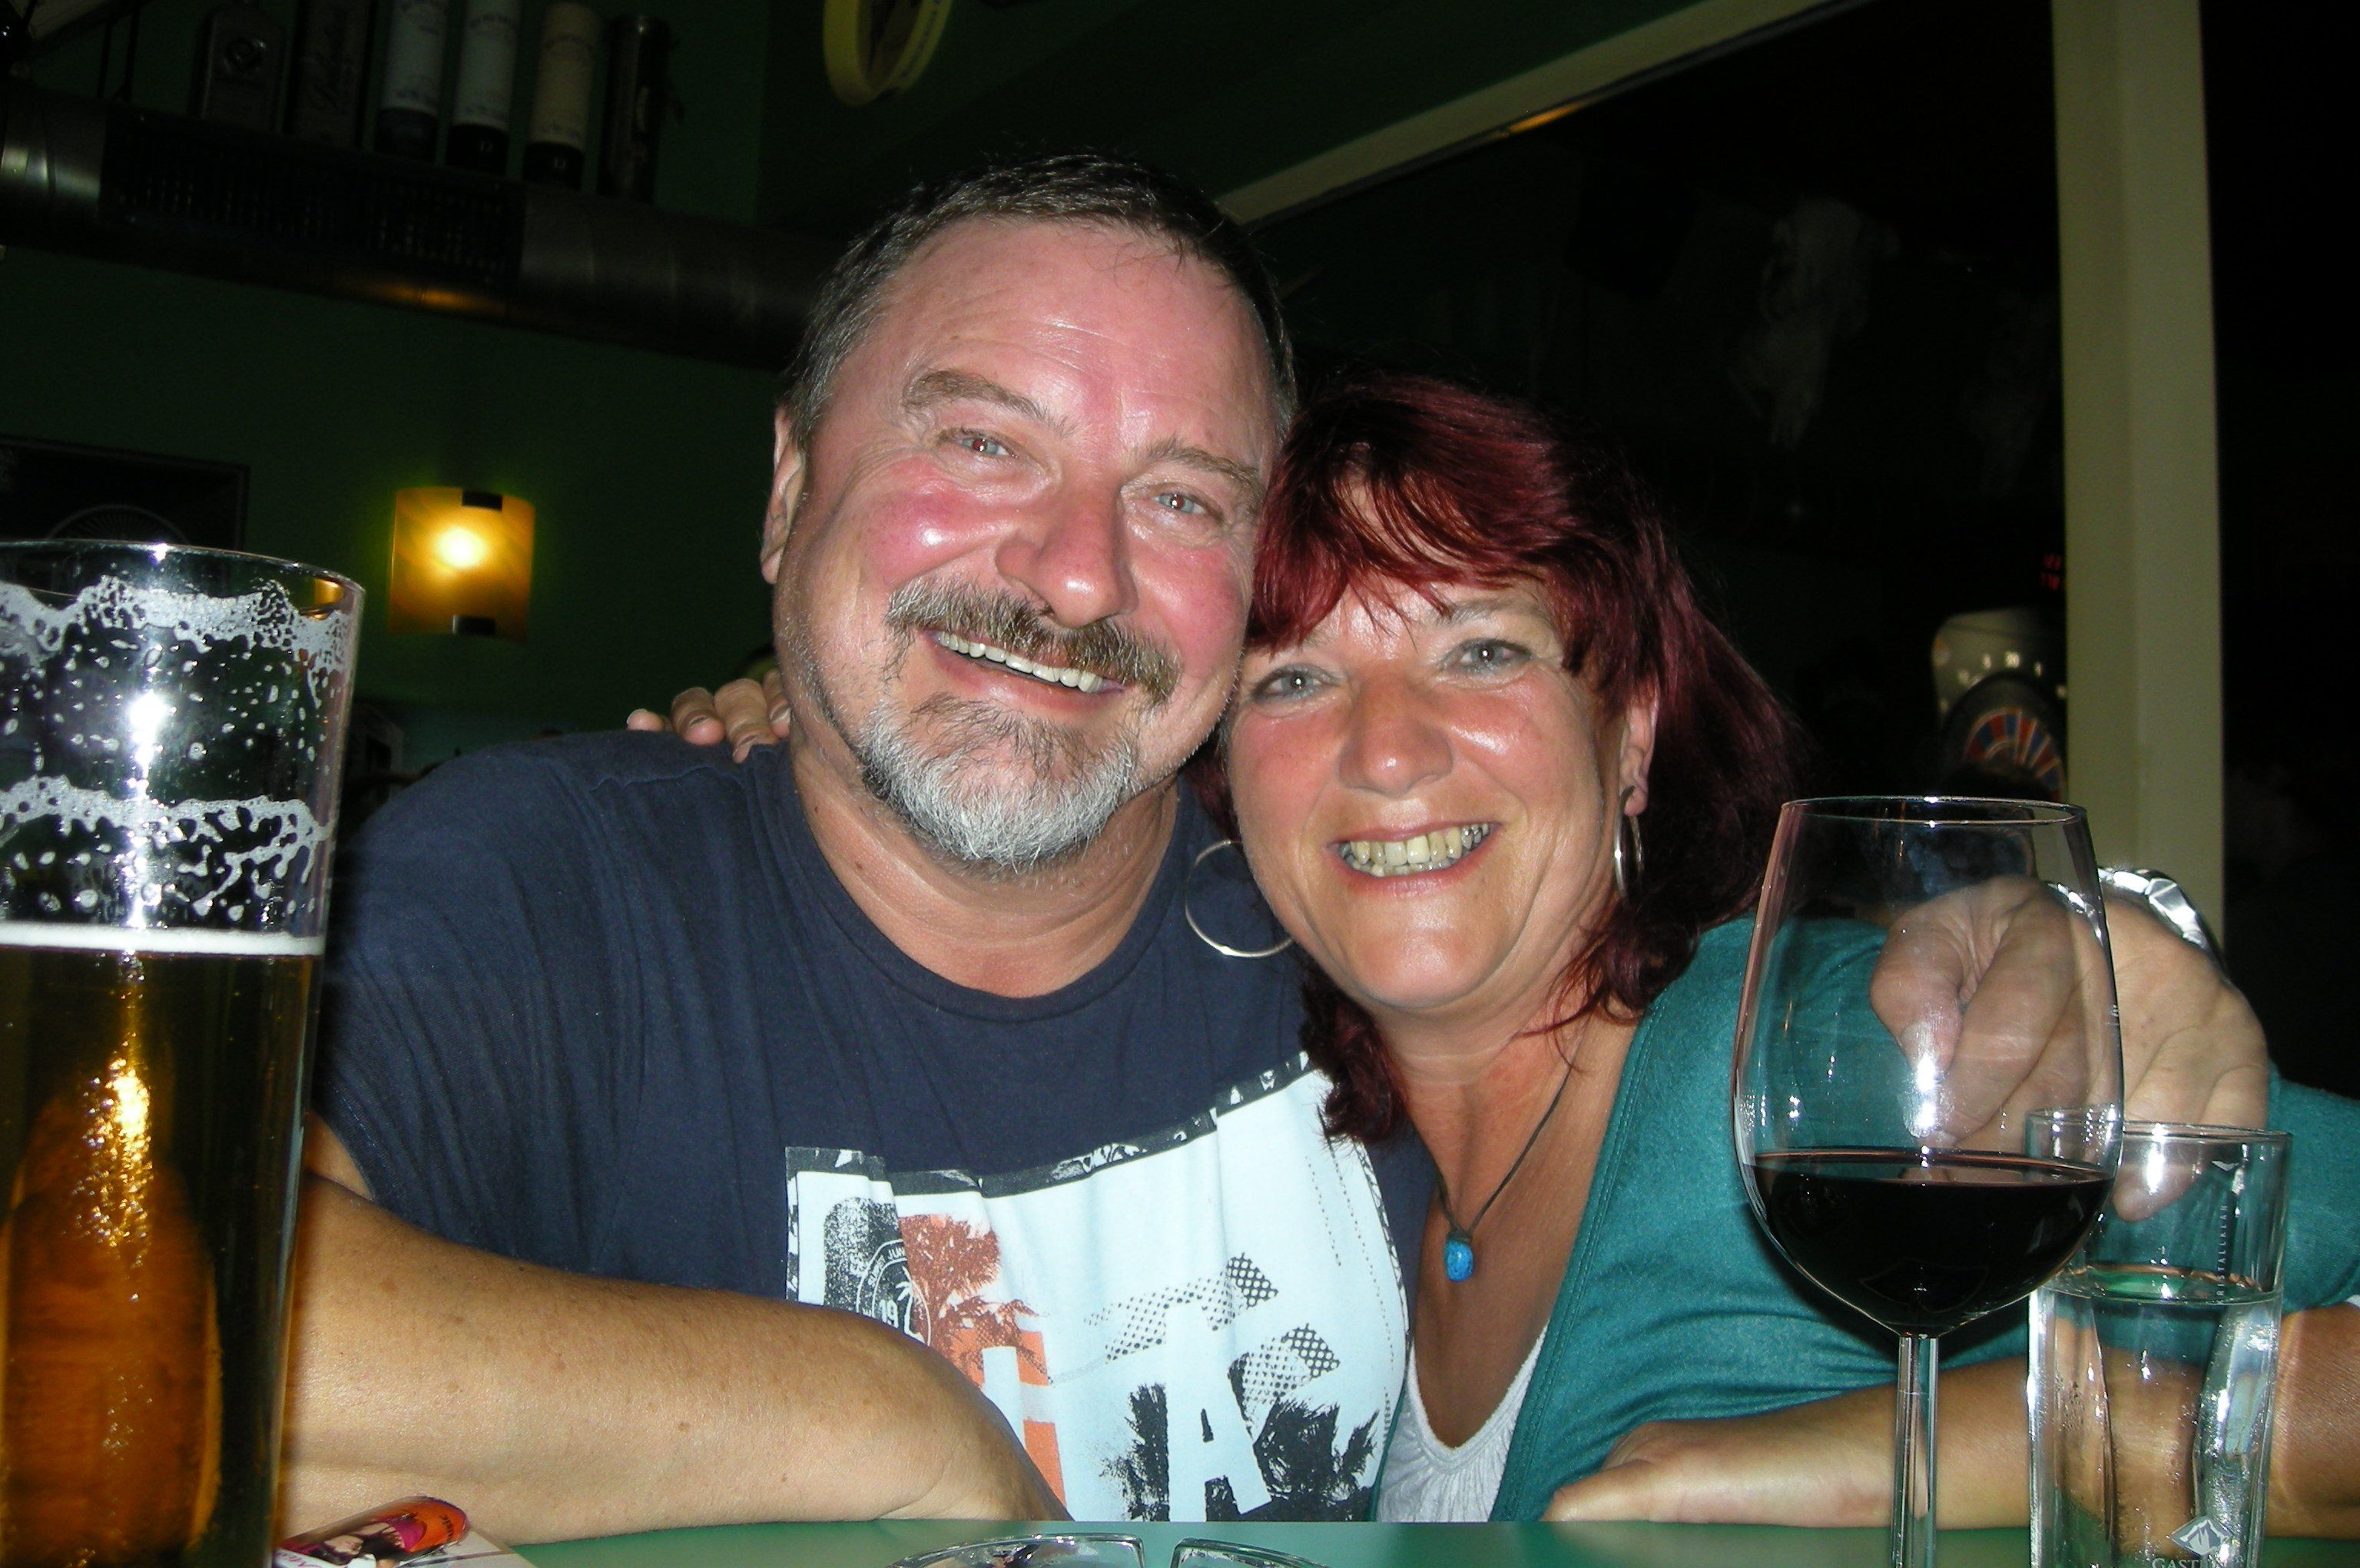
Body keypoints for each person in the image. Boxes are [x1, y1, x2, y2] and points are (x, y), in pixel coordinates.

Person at [291, 152, 2273, 1543]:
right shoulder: (548, 890)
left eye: (1181, 496)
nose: (1078, 572)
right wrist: (892, 1423)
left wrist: (2074, 937)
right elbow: (148, 1298)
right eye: (981, 442)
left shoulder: (1342, 922)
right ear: (791, 483)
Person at [1212, 368, 2359, 1525]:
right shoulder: (1348, 1189)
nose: (1387, 751)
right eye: (1295, 677)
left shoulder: (1807, 1060)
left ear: (1632, 732)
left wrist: (1968, 1447)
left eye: (1483, 651)